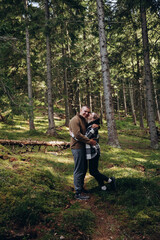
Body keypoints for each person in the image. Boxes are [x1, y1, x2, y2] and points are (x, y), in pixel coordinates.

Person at [69, 106, 96, 200]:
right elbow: (77, 134)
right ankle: (78, 192)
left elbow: (90, 125)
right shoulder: (75, 120)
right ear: (80, 110)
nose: (87, 113)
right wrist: (89, 141)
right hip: (77, 147)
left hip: (83, 147)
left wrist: (96, 125)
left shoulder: (83, 120)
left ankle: (81, 188)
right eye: (85, 111)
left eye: (88, 112)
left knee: (84, 168)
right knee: (79, 169)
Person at [86, 112, 116, 191]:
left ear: (94, 119)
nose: (88, 115)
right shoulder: (90, 125)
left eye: (91, 115)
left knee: (93, 172)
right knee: (95, 171)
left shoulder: (93, 127)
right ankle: (103, 187)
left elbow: (86, 137)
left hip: (94, 152)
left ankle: (110, 180)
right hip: (92, 151)